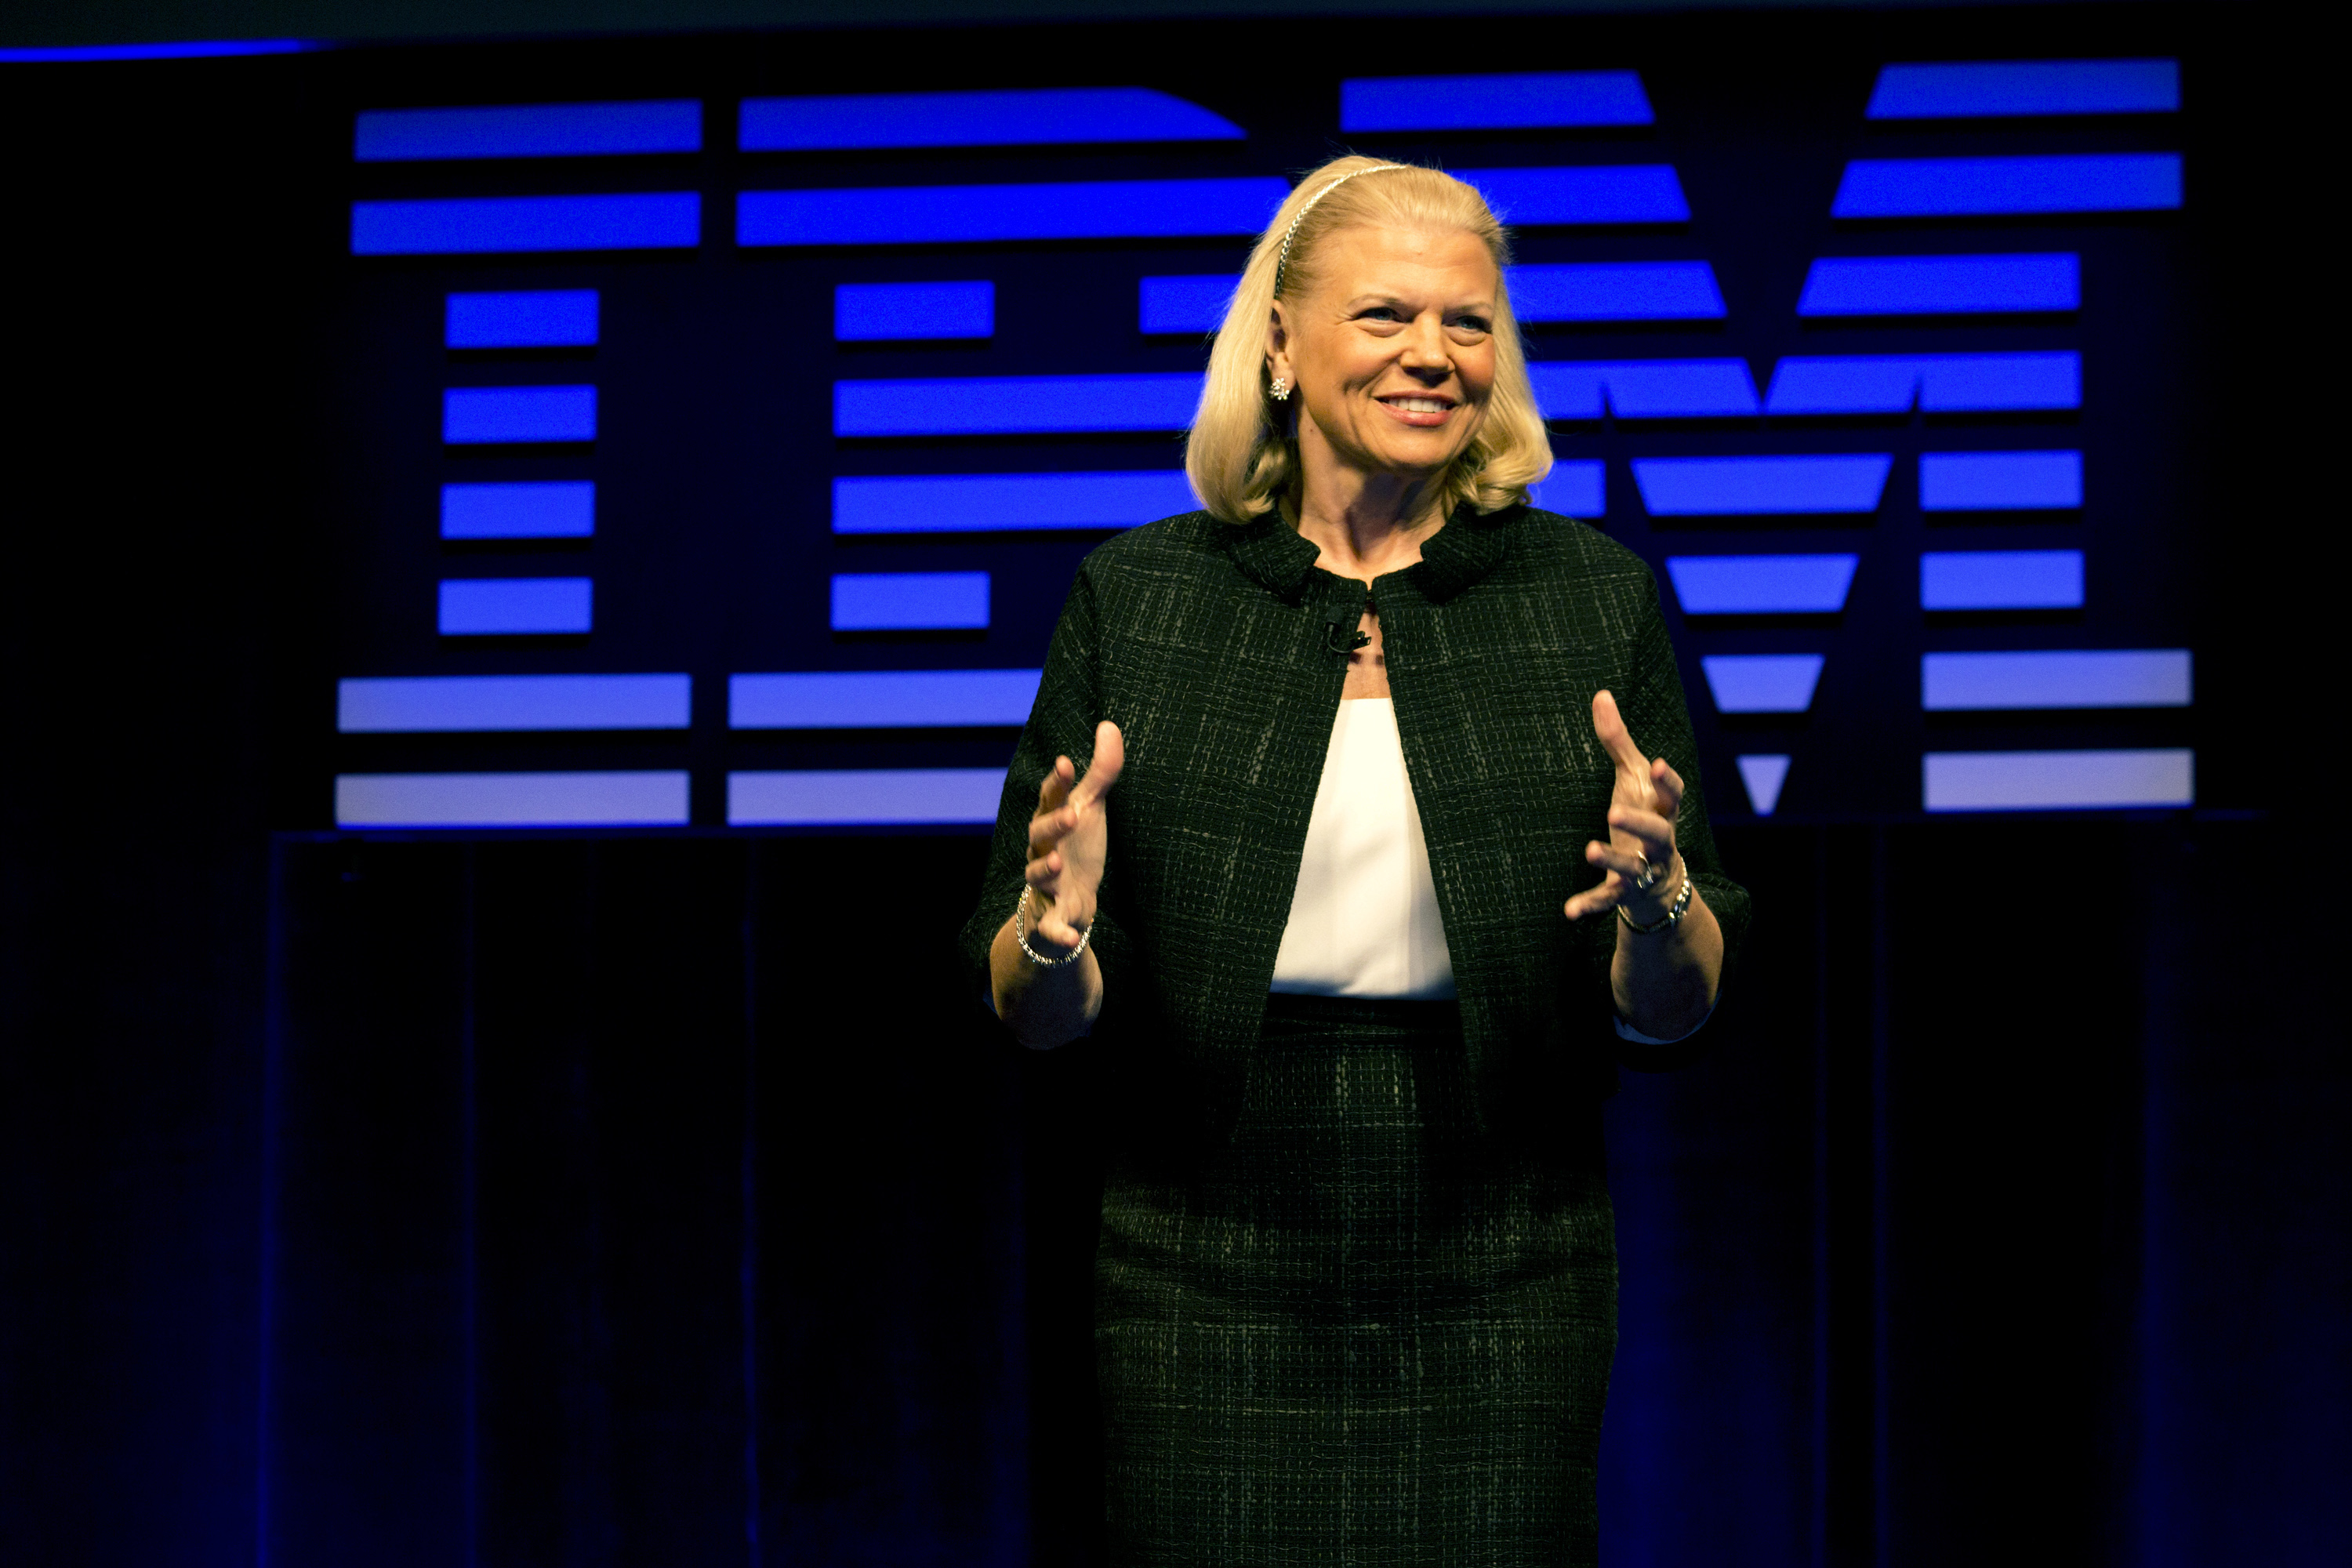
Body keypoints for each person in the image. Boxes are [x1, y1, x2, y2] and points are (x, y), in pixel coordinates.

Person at [958, 154, 1751, 1567]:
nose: (1434, 357)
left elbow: (1675, 1009)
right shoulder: (1141, 600)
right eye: (1386, 315)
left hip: (1503, 1248)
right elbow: (1031, 1005)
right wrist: (1063, 931)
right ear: (1279, 340)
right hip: (1205, 1262)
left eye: (1468, 322)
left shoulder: (1590, 598)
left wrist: (1658, 900)